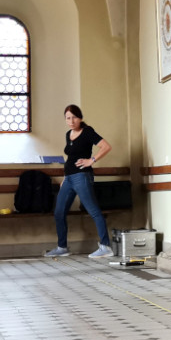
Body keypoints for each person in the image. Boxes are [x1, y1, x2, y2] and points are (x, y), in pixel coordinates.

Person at [45, 105, 114, 258]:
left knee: (93, 210)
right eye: (68, 118)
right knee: (59, 212)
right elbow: (70, 159)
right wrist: (65, 178)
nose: (71, 121)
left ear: (80, 118)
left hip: (82, 176)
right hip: (69, 178)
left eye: (74, 117)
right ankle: (62, 247)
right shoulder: (68, 134)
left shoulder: (87, 132)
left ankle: (105, 247)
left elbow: (106, 146)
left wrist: (92, 160)